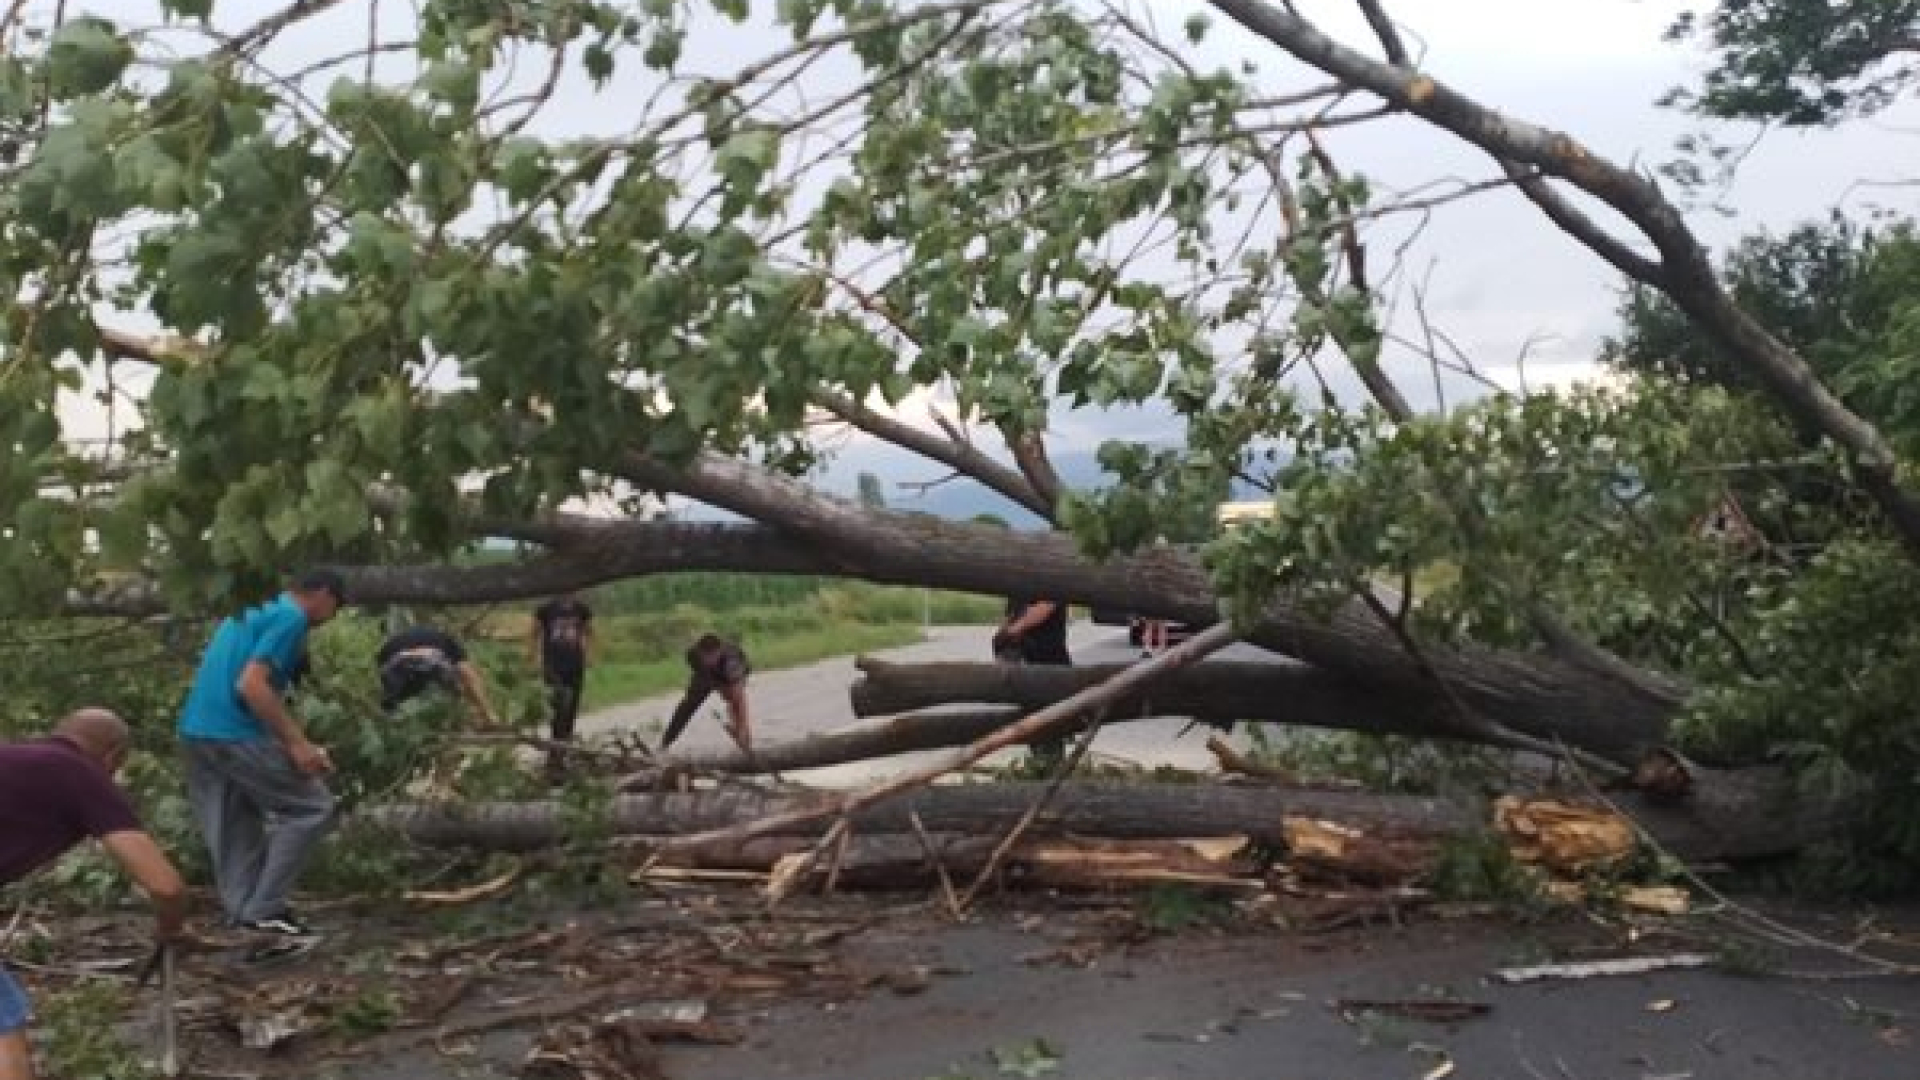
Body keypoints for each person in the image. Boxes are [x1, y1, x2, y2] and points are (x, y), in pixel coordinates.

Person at [2, 710, 188, 1078]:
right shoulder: (79, 772)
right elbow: (165, 885)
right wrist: (172, 927)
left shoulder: (20, 763)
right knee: (4, 1031)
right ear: (113, 756)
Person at [177, 568, 344, 952]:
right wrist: (298, 745)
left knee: (233, 822)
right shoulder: (291, 616)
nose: (329, 617)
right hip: (233, 731)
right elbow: (251, 685)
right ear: (323, 595)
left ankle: (244, 915)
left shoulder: (254, 607)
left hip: (197, 729)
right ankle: (266, 909)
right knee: (311, 808)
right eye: (335, 607)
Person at [993, 598, 1073, 760]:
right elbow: (1010, 616)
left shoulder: (1050, 576)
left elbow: (1045, 607)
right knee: (1032, 723)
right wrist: (1001, 639)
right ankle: (1041, 765)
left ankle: (1050, 768)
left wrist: (1013, 630)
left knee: (1050, 726)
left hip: (1049, 663)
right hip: (1024, 662)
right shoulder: (1017, 584)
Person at [375, 624, 499, 725]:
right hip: (431, 659)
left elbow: (381, 675)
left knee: (394, 700)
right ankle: (452, 720)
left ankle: (392, 723)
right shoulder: (448, 641)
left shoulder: (393, 641)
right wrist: (487, 712)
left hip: (396, 661)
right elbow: (468, 674)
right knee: (454, 689)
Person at [530, 591, 594, 773]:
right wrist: (534, 657)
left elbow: (589, 632)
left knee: (571, 710)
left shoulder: (581, 609)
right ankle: (555, 755)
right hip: (553, 665)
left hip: (575, 664)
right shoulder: (546, 609)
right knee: (557, 709)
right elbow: (534, 633)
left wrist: (589, 654)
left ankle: (563, 754)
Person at [661, 634, 752, 752]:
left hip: (734, 674)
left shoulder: (731, 659)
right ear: (699, 653)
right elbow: (700, 673)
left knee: (733, 698)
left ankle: (744, 737)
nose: (709, 660)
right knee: (687, 706)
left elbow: (739, 698)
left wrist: (742, 726)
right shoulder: (692, 655)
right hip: (706, 676)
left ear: (719, 651)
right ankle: (665, 743)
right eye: (705, 657)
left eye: (712, 656)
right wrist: (711, 682)